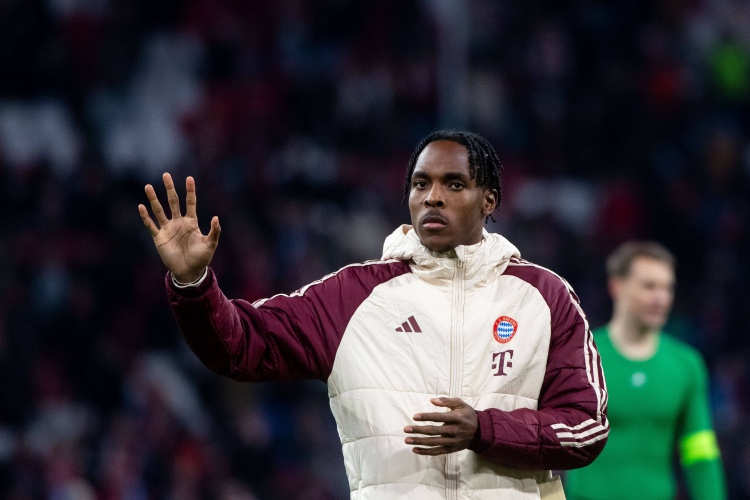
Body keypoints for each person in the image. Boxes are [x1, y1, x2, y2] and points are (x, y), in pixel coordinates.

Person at [138, 129, 609, 499]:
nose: (433, 197)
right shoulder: (353, 296)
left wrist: (484, 429)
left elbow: (586, 427)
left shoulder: (544, 297)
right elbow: (240, 345)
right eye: (421, 184)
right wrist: (193, 284)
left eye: (454, 184)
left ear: (489, 200)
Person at [564, 241, 727, 500]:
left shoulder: (686, 365)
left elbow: (700, 450)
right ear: (617, 285)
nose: (661, 297)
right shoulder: (580, 356)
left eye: (667, 288)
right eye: (649, 286)